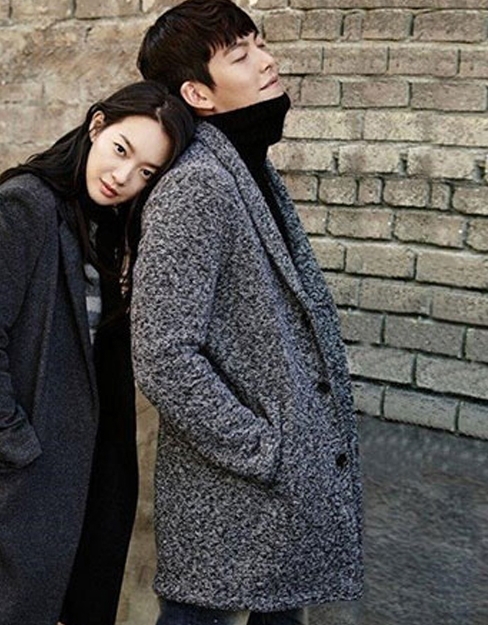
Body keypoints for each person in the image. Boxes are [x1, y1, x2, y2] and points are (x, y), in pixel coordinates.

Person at [132, 1, 363, 623]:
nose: (266, 61)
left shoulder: (248, 166)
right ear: (197, 94)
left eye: (259, 43)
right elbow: (163, 356)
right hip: (234, 493)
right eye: (240, 56)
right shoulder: (197, 185)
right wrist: (266, 449)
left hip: (272, 498)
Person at [0, 80, 194, 625]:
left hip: (84, 472)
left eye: (146, 172)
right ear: (97, 125)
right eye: (120, 150)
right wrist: (16, 445)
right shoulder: (26, 205)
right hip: (29, 474)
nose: (123, 177)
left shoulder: (105, 227)